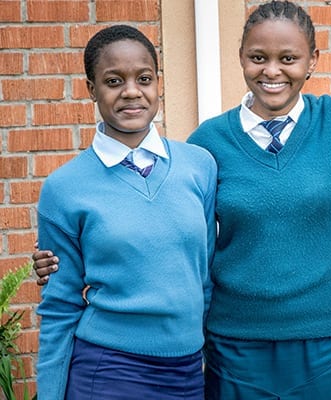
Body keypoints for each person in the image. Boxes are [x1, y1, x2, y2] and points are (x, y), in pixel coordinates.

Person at [33, 2, 331, 399]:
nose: (272, 72)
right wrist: (64, 255)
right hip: (233, 345)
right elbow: (172, 221)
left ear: (312, 61)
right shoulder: (207, 145)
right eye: (258, 58)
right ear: (241, 57)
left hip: (327, 343)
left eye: (288, 59)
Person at [35, 25, 216, 399]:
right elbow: (59, 305)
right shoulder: (65, 187)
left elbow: (205, 273)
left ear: (158, 83)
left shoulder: (199, 166)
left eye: (144, 78)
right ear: (91, 89)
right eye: (114, 80)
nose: (132, 91)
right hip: (109, 370)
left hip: (187, 371)